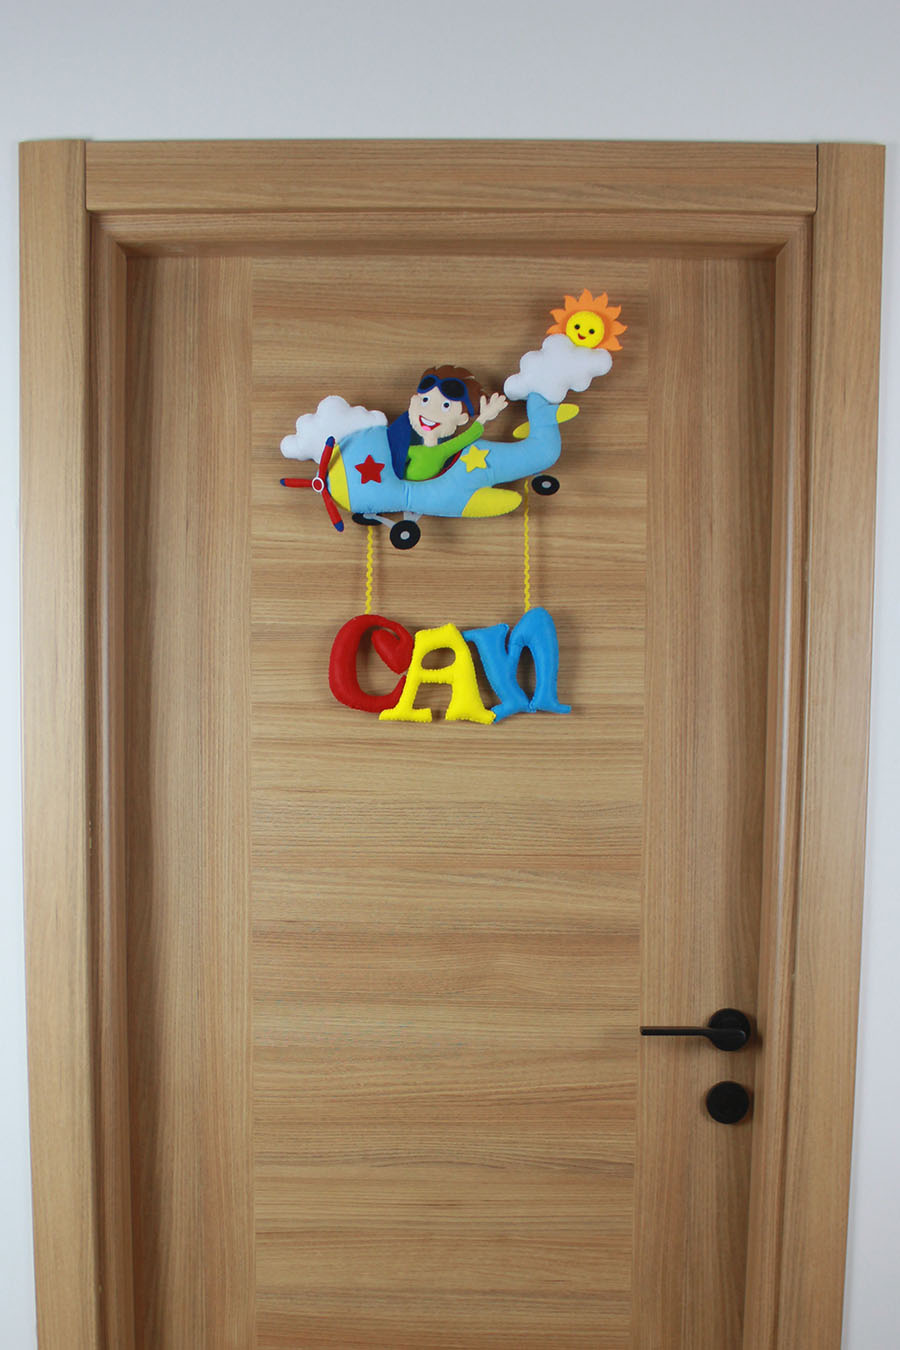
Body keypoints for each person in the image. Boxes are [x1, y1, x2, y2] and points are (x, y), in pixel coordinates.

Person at [386, 365, 508, 481]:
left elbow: (467, 437)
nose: (431, 412)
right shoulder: (411, 445)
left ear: (462, 418)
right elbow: (392, 455)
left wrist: (484, 417)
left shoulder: (444, 450)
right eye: (425, 400)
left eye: (446, 406)